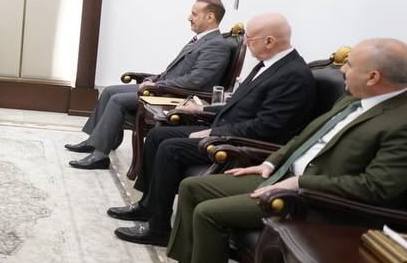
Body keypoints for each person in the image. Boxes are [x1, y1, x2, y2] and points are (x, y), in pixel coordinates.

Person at [138, 38, 407, 263]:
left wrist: (300, 182)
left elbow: (376, 188)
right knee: (193, 187)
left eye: (350, 65)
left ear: (373, 77)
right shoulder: (353, 100)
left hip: (317, 202)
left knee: (209, 213)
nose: (343, 70)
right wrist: (270, 163)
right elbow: (305, 138)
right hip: (283, 177)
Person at [110, 13, 315, 245]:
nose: (245, 44)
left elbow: (269, 127)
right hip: (226, 130)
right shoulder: (269, 65)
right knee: (157, 135)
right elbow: (238, 105)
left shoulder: (293, 75)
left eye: (250, 39)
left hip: (241, 143)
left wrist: (214, 133)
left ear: (269, 41)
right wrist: (202, 110)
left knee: (170, 148)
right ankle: (148, 206)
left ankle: (159, 229)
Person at [67, 0, 233, 170]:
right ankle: (95, 141)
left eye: (194, 14)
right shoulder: (202, 40)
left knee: (118, 100)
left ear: (210, 17)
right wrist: (154, 79)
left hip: (178, 96)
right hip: (166, 87)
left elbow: (196, 80)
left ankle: (100, 156)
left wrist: (159, 86)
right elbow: (177, 71)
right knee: (109, 91)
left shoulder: (216, 45)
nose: (189, 18)